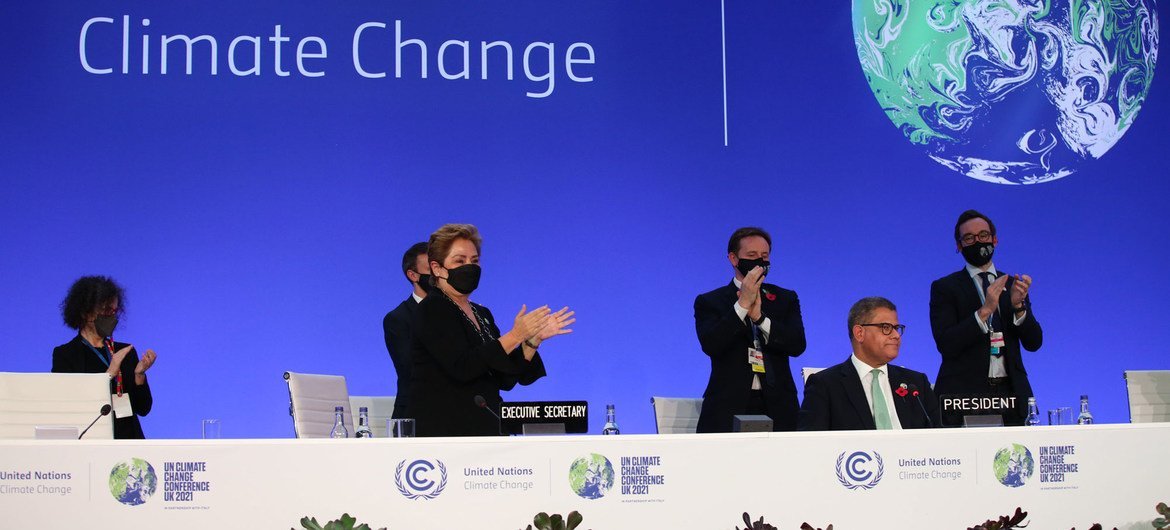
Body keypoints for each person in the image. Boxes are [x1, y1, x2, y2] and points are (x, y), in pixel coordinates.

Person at [405, 224, 574, 437]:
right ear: (437, 268)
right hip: (445, 433)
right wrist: (515, 335)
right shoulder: (433, 308)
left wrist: (531, 340)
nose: (470, 267)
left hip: (486, 430)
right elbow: (463, 367)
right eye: (460, 261)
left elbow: (504, 378)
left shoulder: (481, 313)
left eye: (474, 261)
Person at [930, 210, 1042, 426]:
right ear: (959, 245)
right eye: (969, 238)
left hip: (1012, 395)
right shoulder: (945, 287)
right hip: (963, 398)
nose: (978, 241)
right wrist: (985, 310)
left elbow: (1034, 343)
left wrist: (1018, 306)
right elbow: (946, 344)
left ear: (995, 240)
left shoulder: (1012, 284)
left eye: (983, 235)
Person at [694, 227, 806, 433]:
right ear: (733, 258)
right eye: (752, 256)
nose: (759, 262)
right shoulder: (710, 301)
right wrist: (742, 305)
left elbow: (797, 344)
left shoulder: (785, 298)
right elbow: (712, 344)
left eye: (764, 256)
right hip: (727, 406)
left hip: (779, 405)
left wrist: (759, 318)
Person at [798, 297, 939, 431]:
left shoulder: (916, 383)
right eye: (886, 327)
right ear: (859, 333)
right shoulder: (825, 385)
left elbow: (941, 436)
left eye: (897, 328)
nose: (896, 335)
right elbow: (810, 444)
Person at [51, 276, 157, 439]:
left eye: (114, 311)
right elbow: (69, 406)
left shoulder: (125, 351)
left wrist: (139, 375)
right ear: (85, 312)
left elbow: (143, 408)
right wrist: (108, 375)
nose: (111, 316)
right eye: (106, 310)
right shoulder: (66, 355)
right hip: (92, 442)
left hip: (129, 442)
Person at [383, 241, 430, 419]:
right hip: (415, 415)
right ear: (413, 275)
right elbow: (411, 368)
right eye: (430, 268)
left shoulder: (463, 313)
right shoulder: (398, 319)